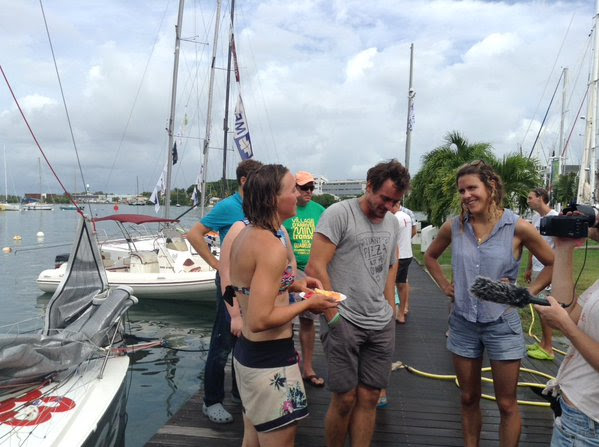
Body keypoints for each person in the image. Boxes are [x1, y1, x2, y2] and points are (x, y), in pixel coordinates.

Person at [424, 160, 554, 447]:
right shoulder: (455, 227)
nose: (466, 195)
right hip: (462, 324)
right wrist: (446, 286)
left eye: (472, 188)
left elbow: (551, 263)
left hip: (502, 325)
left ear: (491, 187)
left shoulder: (517, 227)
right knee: (468, 397)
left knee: (506, 403)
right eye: (461, 190)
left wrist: (525, 293)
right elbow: (430, 257)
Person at [228, 164, 338, 447]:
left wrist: (296, 285)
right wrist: (307, 307)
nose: (299, 195)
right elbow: (259, 319)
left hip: (249, 354)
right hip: (268, 360)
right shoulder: (270, 246)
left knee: (252, 438)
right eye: (292, 189)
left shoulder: (248, 234)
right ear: (272, 199)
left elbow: (249, 286)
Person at [306, 159, 410, 447]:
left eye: (395, 201)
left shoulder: (391, 222)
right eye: (384, 198)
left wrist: (390, 310)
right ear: (368, 187)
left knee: (370, 397)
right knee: (345, 398)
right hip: (344, 320)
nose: (388, 206)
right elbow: (316, 268)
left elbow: (391, 267)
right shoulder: (339, 214)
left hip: (380, 322)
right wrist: (332, 315)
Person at [186, 159, 263, 424]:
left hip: (251, 283)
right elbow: (195, 234)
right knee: (223, 340)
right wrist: (216, 264)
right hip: (229, 281)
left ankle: (240, 393)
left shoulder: (256, 207)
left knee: (246, 339)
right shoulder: (229, 206)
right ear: (245, 181)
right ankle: (212, 401)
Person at [534, 211, 599, 446]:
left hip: (588, 425)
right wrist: (564, 247)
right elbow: (567, 313)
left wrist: (565, 325)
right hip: (575, 415)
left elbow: (566, 325)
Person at [283, 171, 326, 388]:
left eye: (311, 187)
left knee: (308, 320)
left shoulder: (320, 211)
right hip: (290, 272)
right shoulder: (286, 210)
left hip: (311, 272)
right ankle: (288, 363)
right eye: (303, 188)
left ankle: (308, 367)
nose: (309, 192)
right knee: (285, 320)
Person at [525, 188, 558, 360]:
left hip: (549, 271)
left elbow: (561, 248)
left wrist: (557, 272)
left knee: (545, 308)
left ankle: (549, 348)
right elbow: (532, 244)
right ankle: (544, 343)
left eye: (530, 197)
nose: (528, 201)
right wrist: (529, 266)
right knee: (539, 307)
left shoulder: (555, 218)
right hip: (537, 268)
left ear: (540, 198)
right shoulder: (536, 218)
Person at [393, 201, 416, 324]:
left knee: (390, 285)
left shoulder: (393, 219)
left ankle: (392, 314)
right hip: (407, 254)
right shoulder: (406, 216)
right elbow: (413, 231)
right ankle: (401, 313)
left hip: (397, 256)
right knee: (402, 284)